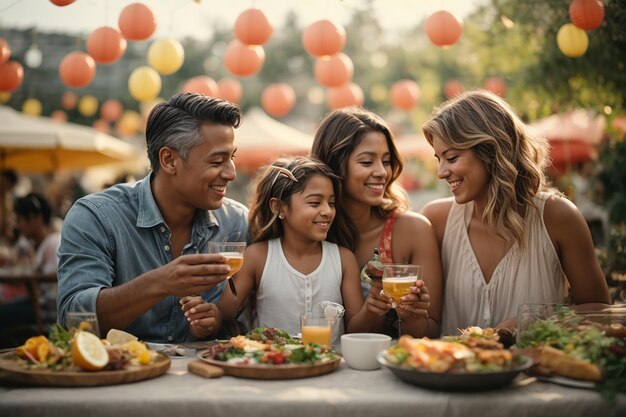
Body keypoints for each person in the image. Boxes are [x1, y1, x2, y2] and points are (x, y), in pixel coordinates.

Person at [57, 93, 249, 343]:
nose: (231, 173)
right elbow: (73, 318)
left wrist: (217, 321)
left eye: (231, 158)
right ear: (169, 160)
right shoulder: (96, 217)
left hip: (204, 378)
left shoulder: (237, 222)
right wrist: (160, 282)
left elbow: (250, 318)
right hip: (118, 376)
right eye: (217, 161)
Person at [420, 90, 610, 336]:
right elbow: (425, 324)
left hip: (536, 372)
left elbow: (600, 311)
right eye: (439, 159)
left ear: (491, 151)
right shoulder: (436, 220)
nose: (441, 172)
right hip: (450, 371)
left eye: (452, 158)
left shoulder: (558, 217)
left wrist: (535, 320)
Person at [311, 107, 442, 338]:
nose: (382, 172)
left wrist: (412, 316)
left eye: (387, 161)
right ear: (335, 164)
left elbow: (431, 330)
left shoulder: (413, 230)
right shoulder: (311, 231)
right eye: (366, 162)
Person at [218, 156, 375, 345]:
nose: (327, 211)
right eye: (315, 203)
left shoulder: (343, 259)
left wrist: (374, 304)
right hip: (273, 364)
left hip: (330, 367)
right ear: (280, 207)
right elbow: (228, 313)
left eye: (331, 203)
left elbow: (355, 329)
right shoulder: (258, 257)